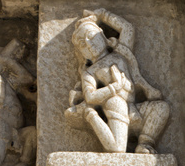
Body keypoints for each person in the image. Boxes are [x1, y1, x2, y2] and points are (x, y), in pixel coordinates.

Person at [66, 9, 170, 155]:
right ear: (81, 53)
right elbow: (90, 96)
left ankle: (144, 144)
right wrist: (114, 88)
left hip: (134, 111)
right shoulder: (90, 72)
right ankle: (91, 115)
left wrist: (103, 14)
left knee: (162, 108)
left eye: (92, 36)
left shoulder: (121, 53)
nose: (89, 44)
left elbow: (127, 28)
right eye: (82, 44)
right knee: (117, 149)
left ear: (102, 35)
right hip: (115, 107)